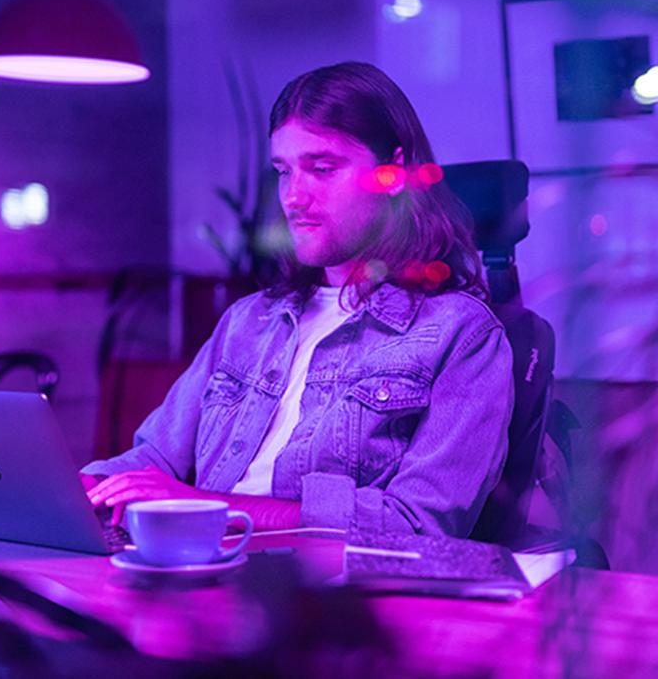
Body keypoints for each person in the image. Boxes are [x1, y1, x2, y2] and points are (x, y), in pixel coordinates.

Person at [82, 62, 514, 538]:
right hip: (198, 571)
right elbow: (152, 460)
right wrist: (85, 489)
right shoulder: (248, 321)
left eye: (322, 168)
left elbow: (418, 524)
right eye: (283, 171)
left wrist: (200, 505)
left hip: (327, 600)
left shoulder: (461, 334)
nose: (293, 197)